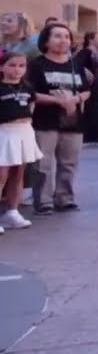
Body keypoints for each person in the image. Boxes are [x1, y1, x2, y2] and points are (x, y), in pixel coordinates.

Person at [28, 22, 92, 213]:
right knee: (43, 164)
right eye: (57, 36)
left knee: (69, 162)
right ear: (46, 41)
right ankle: (44, 202)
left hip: (72, 120)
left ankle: (65, 198)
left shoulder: (76, 65)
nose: (63, 40)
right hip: (44, 121)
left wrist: (76, 99)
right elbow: (30, 93)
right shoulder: (37, 65)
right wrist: (57, 101)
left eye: (66, 37)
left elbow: (87, 90)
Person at [0, 51, 38, 232]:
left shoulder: (27, 87)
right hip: (4, 131)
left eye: (21, 66)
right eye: (12, 65)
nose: (17, 70)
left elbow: (32, 104)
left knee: (19, 172)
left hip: (24, 131)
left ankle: (12, 212)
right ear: (2, 67)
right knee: (2, 174)